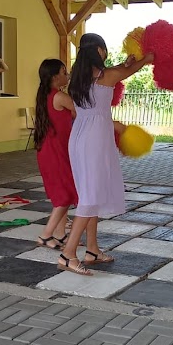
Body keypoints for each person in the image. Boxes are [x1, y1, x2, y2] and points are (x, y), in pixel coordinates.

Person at [58, 33, 153, 276]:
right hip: (94, 140)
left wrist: (126, 62)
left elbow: (118, 71)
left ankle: (92, 250)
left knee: (91, 194)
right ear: (99, 50)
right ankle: (68, 254)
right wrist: (146, 58)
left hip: (80, 137)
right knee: (90, 197)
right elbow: (125, 71)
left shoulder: (78, 78)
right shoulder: (106, 76)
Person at [35, 59, 77, 249]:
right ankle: (46, 235)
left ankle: (60, 234)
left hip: (51, 150)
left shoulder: (46, 95)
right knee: (65, 194)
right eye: (64, 71)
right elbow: (82, 111)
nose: (66, 75)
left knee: (63, 191)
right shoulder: (59, 97)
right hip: (55, 152)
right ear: (54, 77)